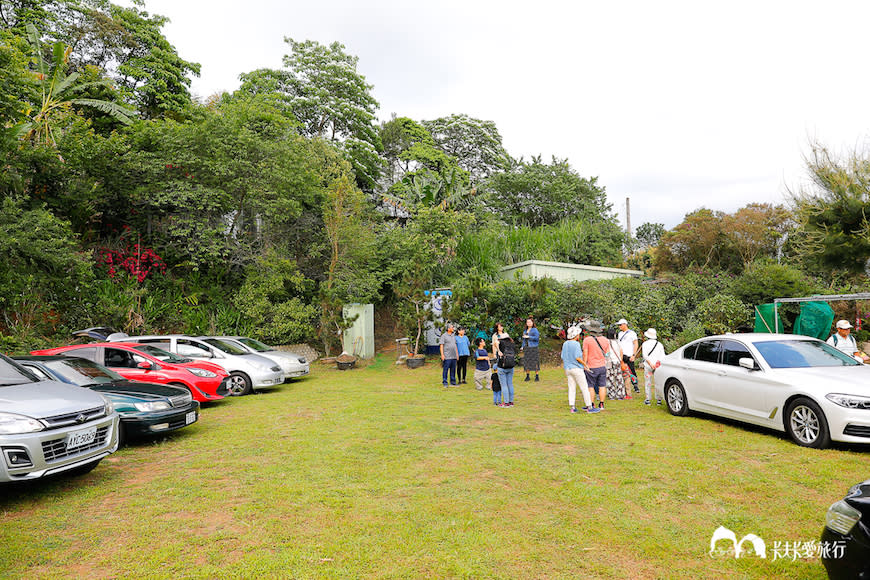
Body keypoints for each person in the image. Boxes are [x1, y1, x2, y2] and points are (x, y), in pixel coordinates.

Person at [561, 326, 598, 413]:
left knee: (571, 387)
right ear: (575, 335)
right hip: (577, 369)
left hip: (567, 369)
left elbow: (563, 356)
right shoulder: (576, 344)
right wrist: (585, 365)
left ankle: (572, 407)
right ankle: (589, 407)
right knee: (584, 387)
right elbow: (577, 357)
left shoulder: (565, 344)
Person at [582, 320, 610, 410]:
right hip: (602, 366)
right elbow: (607, 354)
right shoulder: (606, 340)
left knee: (590, 386)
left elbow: (585, 354)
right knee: (602, 385)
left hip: (591, 366)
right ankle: (601, 404)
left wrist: (584, 364)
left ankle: (591, 404)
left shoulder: (587, 340)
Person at [641, 328, 666, 405]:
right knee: (658, 382)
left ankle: (648, 399)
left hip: (648, 365)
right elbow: (662, 356)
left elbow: (645, 356)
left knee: (648, 381)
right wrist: (656, 364)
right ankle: (659, 399)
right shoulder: (659, 344)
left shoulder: (645, 344)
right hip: (657, 366)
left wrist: (650, 364)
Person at [617, 319, 640, 394]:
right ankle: (623, 386)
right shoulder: (619, 333)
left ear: (624, 324)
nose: (619, 326)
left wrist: (634, 354)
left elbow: (636, 343)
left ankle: (635, 385)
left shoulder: (632, 333)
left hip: (630, 355)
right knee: (622, 370)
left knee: (632, 371)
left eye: (620, 325)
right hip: (621, 355)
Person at [605, 327, 627, 400]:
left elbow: (606, 352)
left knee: (610, 378)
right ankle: (620, 394)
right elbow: (621, 351)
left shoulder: (606, 342)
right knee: (619, 378)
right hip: (617, 361)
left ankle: (612, 394)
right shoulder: (617, 342)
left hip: (609, 362)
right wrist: (620, 360)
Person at [496, 336, 516, 407]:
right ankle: (511, 402)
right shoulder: (512, 344)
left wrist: (498, 350)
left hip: (502, 367)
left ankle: (506, 402)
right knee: (510, 384)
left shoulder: (501, 343)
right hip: (511, 366)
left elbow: (496, 344)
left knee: (504, 385)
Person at [522, 318, 541, 382]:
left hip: (533, 347)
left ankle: (537, 376)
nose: (528, 323)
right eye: (527, 322)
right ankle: (527, 376)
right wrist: (522, 346)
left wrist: (529, 337)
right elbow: (524, 340)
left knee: (535, 361)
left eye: (530, 322)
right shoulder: (525, 330)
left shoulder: (535, 330)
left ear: (532, 323)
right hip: (527, 348)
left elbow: (537, 338)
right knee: (527, 362)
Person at [439, 323, 458, 387]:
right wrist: (442, 355)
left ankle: (453, 382)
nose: (453, 329)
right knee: (446, 369)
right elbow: (441, 346)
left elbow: (455, 345)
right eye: (452, 327)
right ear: (448, 329)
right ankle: (445, 382)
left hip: (454, 356)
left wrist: (457, 355)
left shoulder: (453, 336)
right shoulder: (444, 336)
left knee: (453, 370)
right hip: (447, 356)